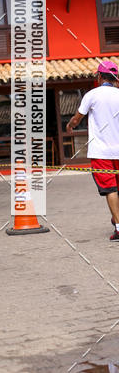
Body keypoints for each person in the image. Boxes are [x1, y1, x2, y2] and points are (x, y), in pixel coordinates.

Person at [66, 60, 119, 240]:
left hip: (101, 152)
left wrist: (70, 125)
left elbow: (77, 118)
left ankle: (118, 226)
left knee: (110, 188)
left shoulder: (92, 95)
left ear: (99, 76)